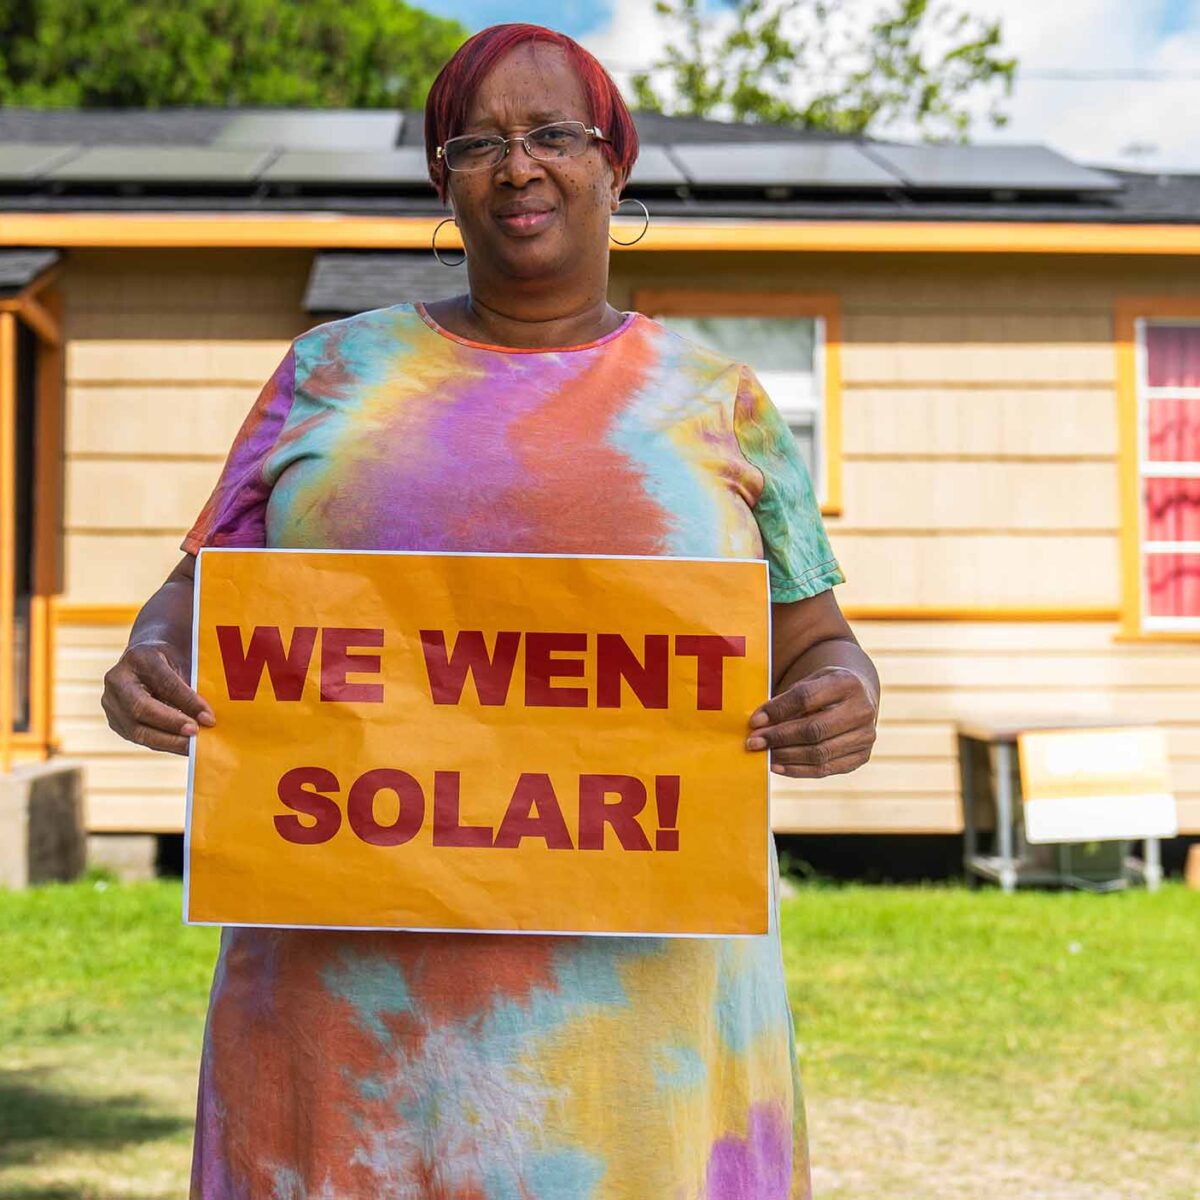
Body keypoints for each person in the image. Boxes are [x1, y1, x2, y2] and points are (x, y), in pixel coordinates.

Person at [101, 22, 880, 1200]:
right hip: (345, 1025)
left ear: (614, 164)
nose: (520, 167)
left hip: (634, 1033)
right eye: (480, 142)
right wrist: (151, 656)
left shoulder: (714, 401)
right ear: (441, 181)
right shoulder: (331, 373)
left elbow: (817, 637)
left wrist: (844, 696)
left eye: (554, 135)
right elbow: (194, 597)